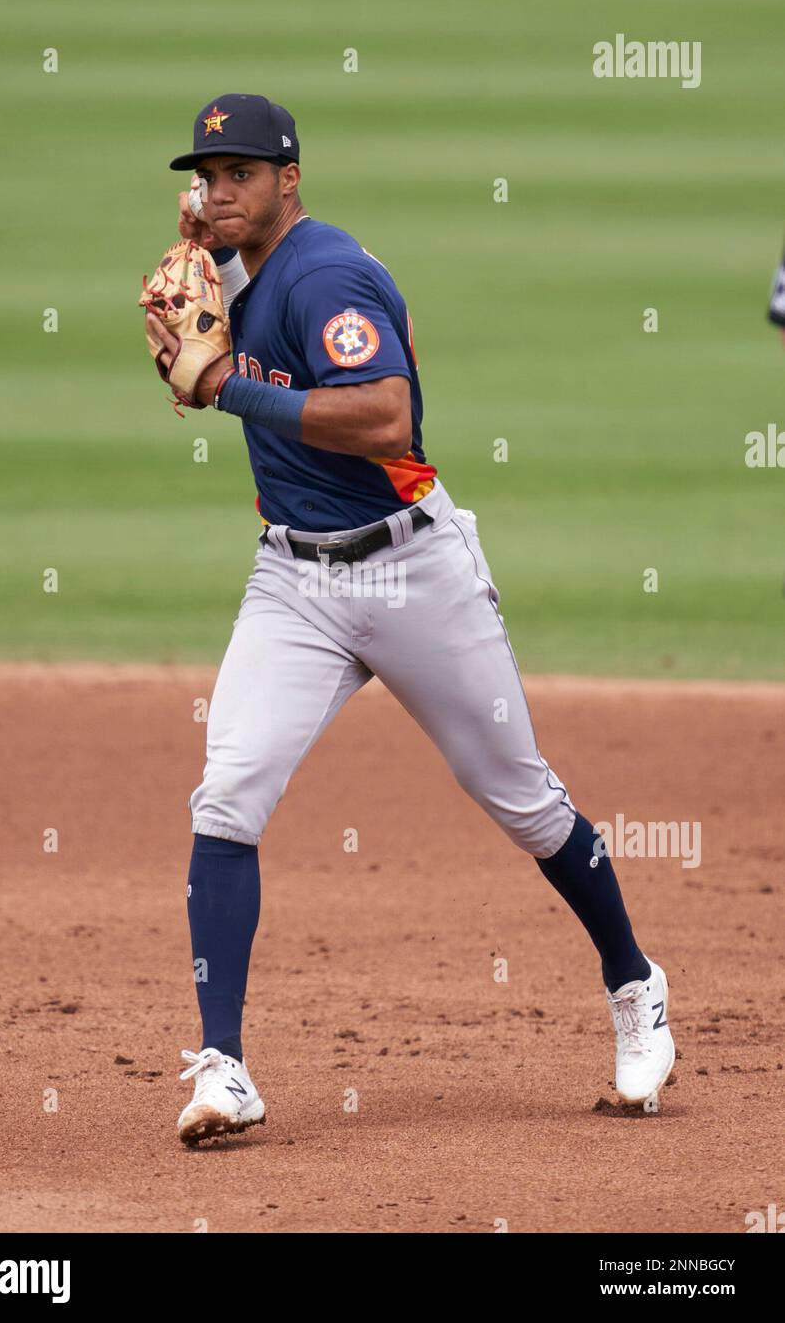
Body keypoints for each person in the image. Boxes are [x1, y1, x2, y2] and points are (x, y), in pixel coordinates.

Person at [145, 93, 676, 1145]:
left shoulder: (326, 275)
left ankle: (632, 984)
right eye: (208, 175)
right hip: (292, 579)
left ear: (289, 178)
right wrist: (198, 308)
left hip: (411, 572)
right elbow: (211, 343)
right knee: (226, 796)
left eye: (241, 173)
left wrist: (228, 391)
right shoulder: (224, 271)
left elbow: (385, 414)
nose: (219, 191)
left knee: (520, 800)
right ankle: (225, 1066)